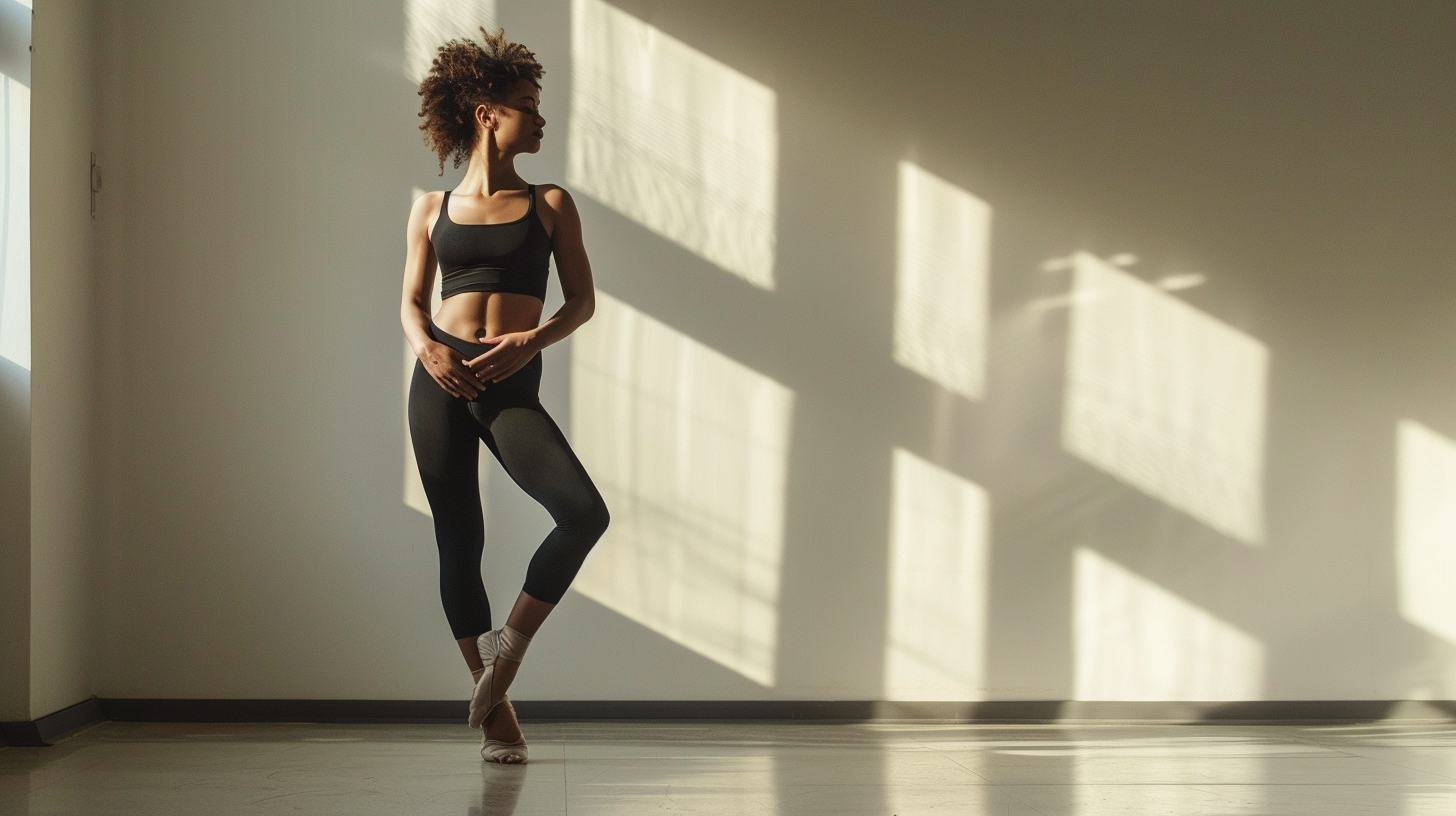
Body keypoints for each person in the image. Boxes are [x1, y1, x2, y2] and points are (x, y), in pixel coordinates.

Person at [401, 27, 610, 764]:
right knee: (460, 539)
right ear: (487, 112)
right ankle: (497, 719)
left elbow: (581, 302)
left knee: (583, 514)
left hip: (509, 379)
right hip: (438, 381)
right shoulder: (430, 208)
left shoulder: (550, 203)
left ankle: (506, 658)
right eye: (528, 104)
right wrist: (426, 347)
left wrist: (529, 342)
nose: (541, 118)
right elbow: (410, 303)